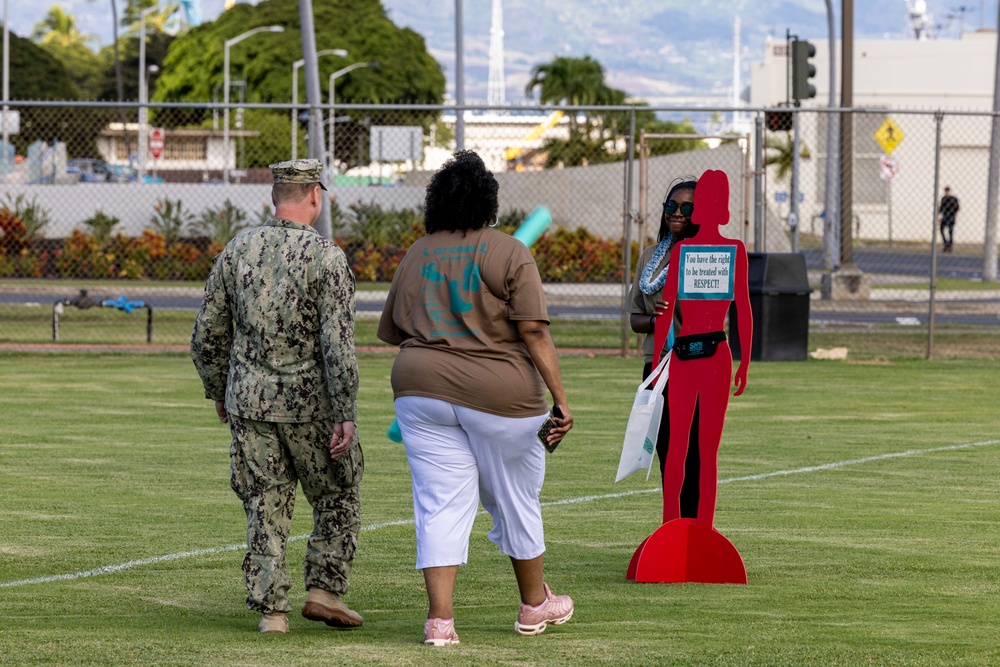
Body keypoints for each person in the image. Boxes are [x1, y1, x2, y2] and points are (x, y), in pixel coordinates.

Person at [377, 150, 575, 647]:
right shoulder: (509, 251)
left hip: (419, 393)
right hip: (500, 394)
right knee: (515, 497)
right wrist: (562, 401)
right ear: (489, 201)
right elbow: (533, 331)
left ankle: (440, 622)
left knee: (439, 504)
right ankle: (534, 605)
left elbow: (391, 331)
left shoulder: (417, 253)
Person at [190, 159, 364, 635]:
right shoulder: (327, 258)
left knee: (264, 501)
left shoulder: (238, 251)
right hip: (312, 405)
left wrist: (218, 388)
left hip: (250, 401)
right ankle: (325, 591)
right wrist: (345, 410)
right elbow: (338, 346)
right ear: (315, 196)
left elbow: (207, 332)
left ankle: (273, 612)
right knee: (337, 494)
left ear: (275, 197)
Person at [657, 169, 752, 527]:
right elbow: (742, 309)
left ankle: (693, 528)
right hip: (704, 354)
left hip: (698, 353)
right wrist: (744, 362)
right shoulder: (722, 249)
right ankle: (683, 527)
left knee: (689, 448)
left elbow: (743, 308)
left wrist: (744, 364)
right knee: (694, 449)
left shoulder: (694, 250)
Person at [628, 177, 701, 516]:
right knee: (666, 451)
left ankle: (695, 529)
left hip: (695, 365)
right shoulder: (648, 257)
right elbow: (635, 318)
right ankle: (673, 527)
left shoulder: (705, 257)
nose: (678, 213)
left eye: (688, 208)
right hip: (657, 368)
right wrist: (657, 320)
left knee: (694, 455)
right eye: (672, 206)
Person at [939, 186, 959, 252]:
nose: (947, 192)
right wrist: (940, 216)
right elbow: (941, 208)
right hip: (945, 216)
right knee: (942, 229)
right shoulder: (944, 199)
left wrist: (953, 214)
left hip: (951, 216)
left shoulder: (953, 199)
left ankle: (949, 245)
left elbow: (957, 208)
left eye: (948, 191)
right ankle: (946, 243)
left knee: (950, 230)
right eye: (946, 191)